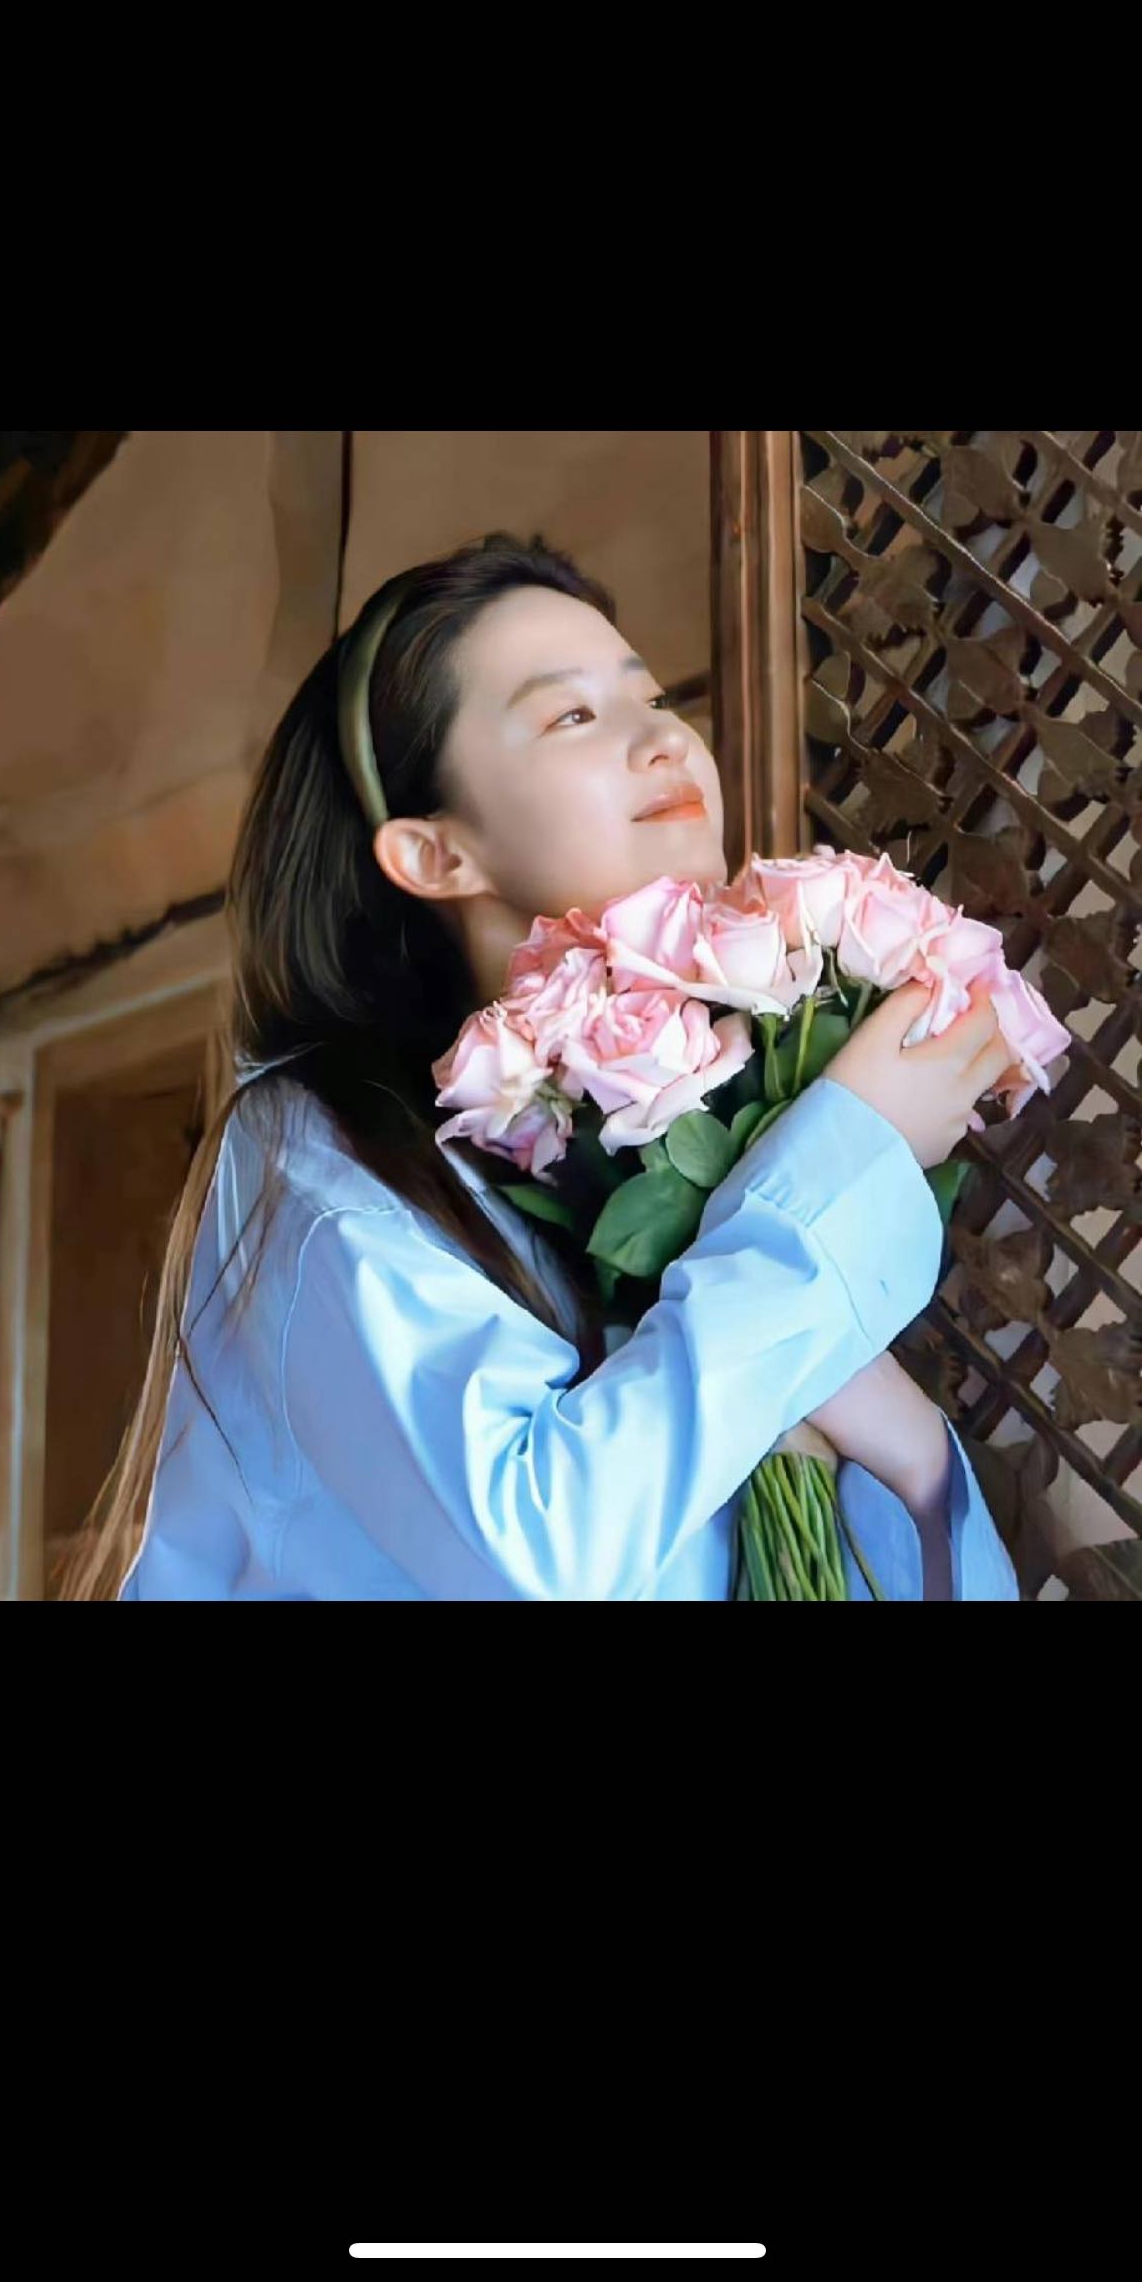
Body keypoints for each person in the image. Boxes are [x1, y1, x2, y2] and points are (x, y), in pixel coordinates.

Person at [55, 530, 1020, 1603]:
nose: (664, 740)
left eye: (653, 698)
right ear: (436, 853)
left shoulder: (679, 1119)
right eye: (573, 715)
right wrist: (845, 1152)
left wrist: (915, 1458)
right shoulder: (317, 1147)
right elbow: (543, 1555)